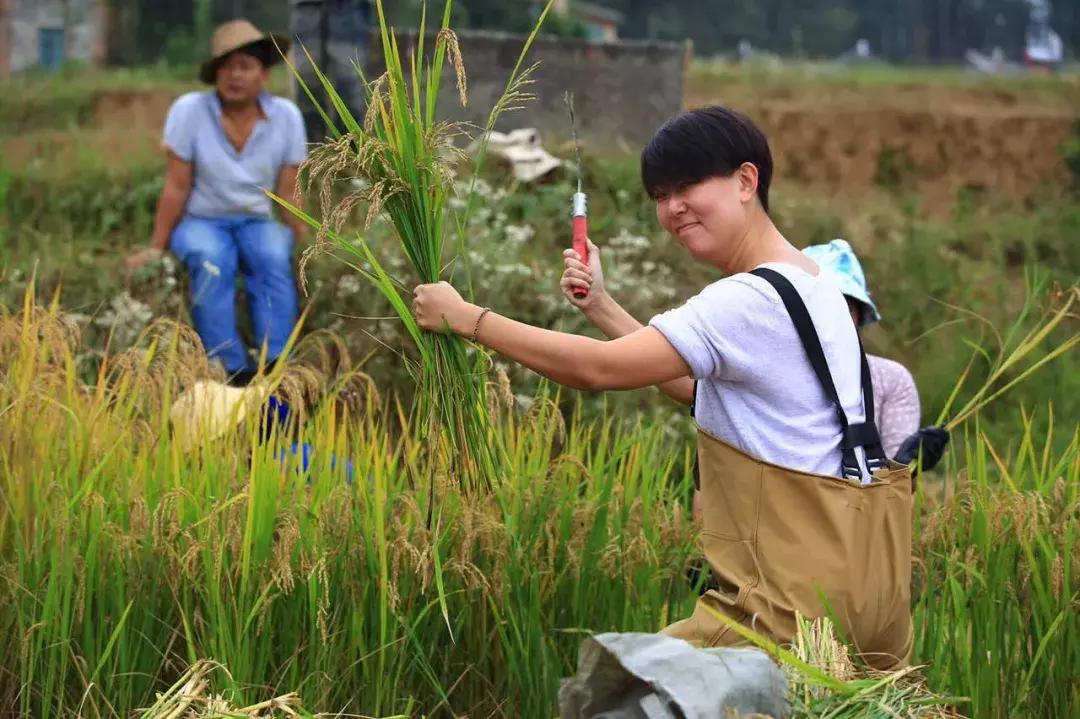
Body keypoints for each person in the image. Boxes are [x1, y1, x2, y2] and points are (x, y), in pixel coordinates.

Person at [410, 106, 914, 670]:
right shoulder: (814, 284)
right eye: (660, 194)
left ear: (746, 181)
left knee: (621, 687)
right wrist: (602, 307)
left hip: (784, 610)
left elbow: (599, 370)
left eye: (688, 186)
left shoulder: (745, 300)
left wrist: (467, 318)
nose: (672, 208)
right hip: (863, 594)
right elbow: (702, 392)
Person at [126, 19, 307, 387]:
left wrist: (307, 243)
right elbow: (177, 185)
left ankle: (277, 367)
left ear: (264, 73)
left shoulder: (286, 116)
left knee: (273, 257)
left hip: (256, 220)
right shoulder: (190, 110)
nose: (234, 75)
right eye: (226, 67)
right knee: (211, 261)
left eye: (245, 66)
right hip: (202, 220)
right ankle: (231, 370)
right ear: (215, 74)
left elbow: (289, 190)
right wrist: (156, 247)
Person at [291, 0, 371, 141]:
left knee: (351, 91)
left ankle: (350, 149)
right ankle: (312, 149)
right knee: (307, 87)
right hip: (307, 7)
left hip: (350, 9)